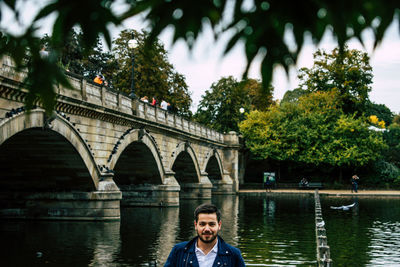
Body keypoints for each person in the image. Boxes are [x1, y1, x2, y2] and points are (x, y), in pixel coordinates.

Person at [164, 203, 246, 267]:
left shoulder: (233, 255)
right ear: (196, 225)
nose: (207, 229)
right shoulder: (179, 251)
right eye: (202, 224)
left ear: (219, 225)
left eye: (212, 224)